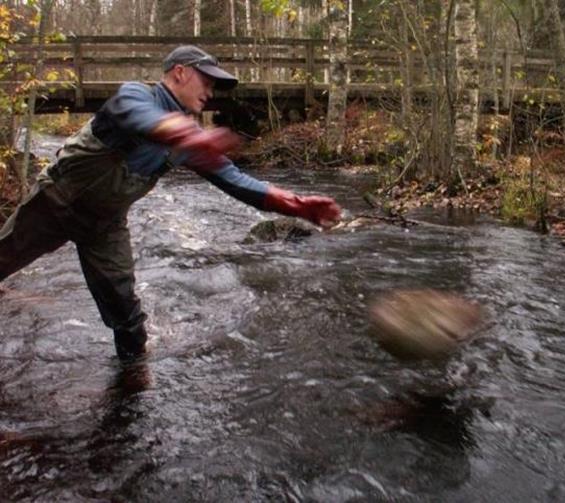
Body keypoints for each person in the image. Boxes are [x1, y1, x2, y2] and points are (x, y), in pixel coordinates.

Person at [0, 45, 341, 360]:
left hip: (105, 227)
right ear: (180, 72)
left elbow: (235, 181)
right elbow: (135, 115)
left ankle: (131, 387)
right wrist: (191, 137)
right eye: (206, 81)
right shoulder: (136, 95)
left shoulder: (192, 139)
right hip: (54, 203)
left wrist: (295, 205)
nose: (210, 92)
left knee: (129, 321)